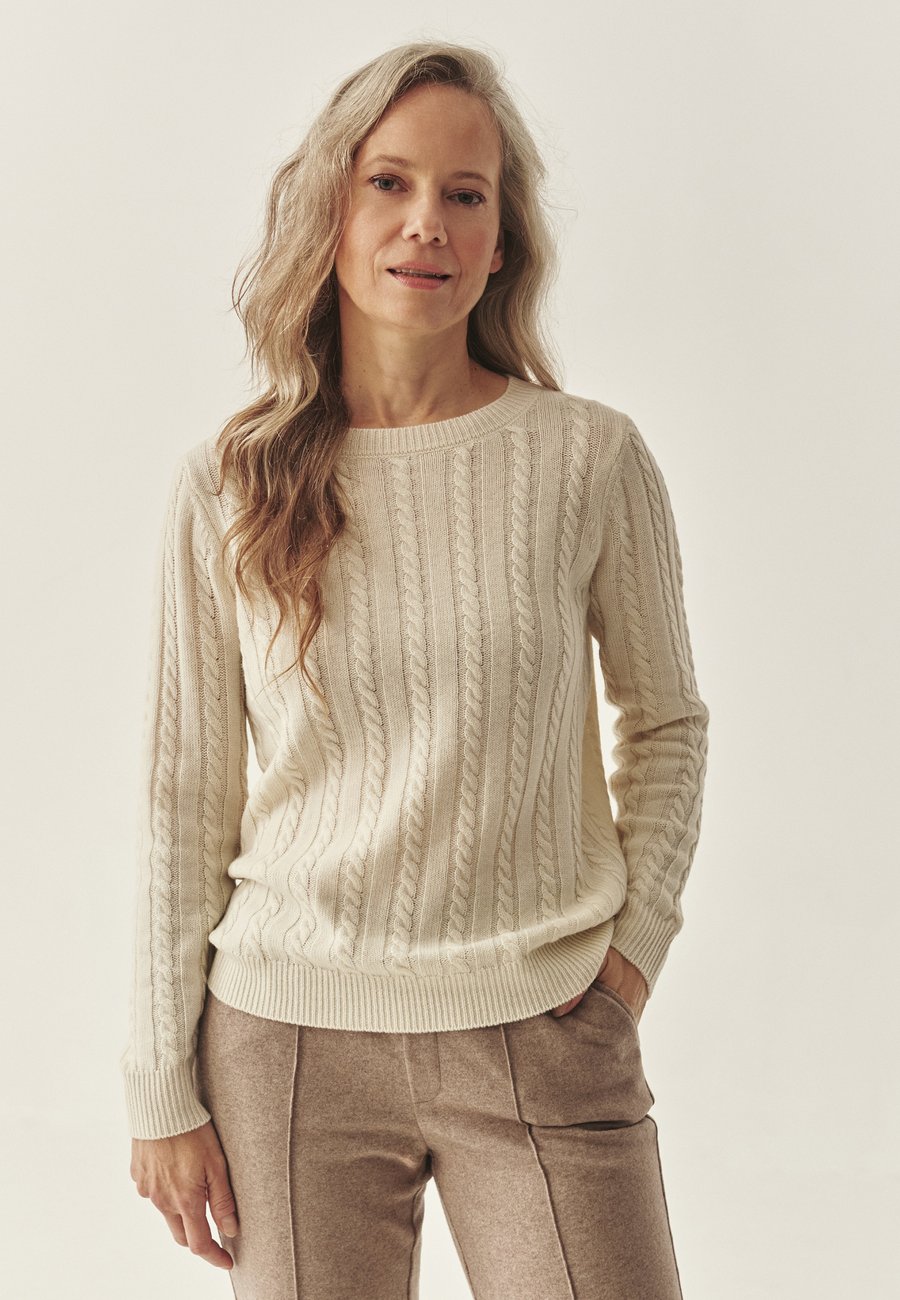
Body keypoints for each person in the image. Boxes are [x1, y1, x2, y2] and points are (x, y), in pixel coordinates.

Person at [123, 40, 710, 1300]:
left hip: (546, 1020)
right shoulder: (228, 483)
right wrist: (158, 1082)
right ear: (328, 212)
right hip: (289, 1043)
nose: (425, 222)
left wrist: (631, 954)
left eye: (465, 193)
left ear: (502, 243)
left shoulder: (588, 459)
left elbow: (666, 722)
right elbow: (184, 795)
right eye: (388, 183)